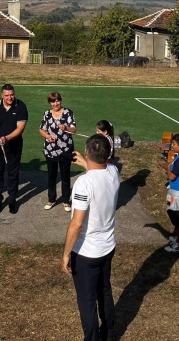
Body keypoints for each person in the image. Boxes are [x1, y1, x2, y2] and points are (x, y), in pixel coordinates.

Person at [61, 135, 119, 341]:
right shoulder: (114, 172)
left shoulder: (83, 183)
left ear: (86, 152)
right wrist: (87, 163)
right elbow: (101, 172)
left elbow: (77, 224)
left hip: (87, 253)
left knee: (87, 301)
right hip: (108, 246)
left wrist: (66, 253)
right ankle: (109, 333)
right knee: (104, 291)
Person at [0, 84, 28, 214]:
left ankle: (12, 200)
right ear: (2, 95)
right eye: (7, 95)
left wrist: (7, 138)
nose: (10, 97)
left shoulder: (21, 106)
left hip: (14, 147)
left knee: (13, 175)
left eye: (12, 95)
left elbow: (20, 128)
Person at [39, 92, 77, 211]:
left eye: (57, 101)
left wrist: (66, 128)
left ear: (60, 100)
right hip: (50, 150)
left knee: (65, 175)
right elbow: (41, 130)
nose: (56, 103)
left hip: (65, 149)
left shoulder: (68, 113)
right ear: (50, 103)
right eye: (53, 101)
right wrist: (48, 137)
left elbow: (74, 130)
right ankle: (51, 199)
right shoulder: (47, 114)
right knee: (52, 175)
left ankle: (66, 200)